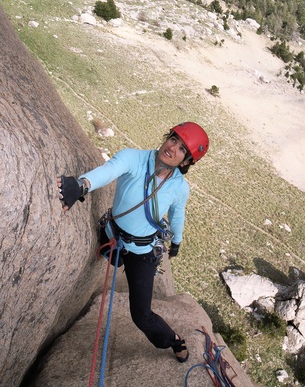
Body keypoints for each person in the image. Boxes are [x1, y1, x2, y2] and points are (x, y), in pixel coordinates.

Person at [57, 121, 209, 363]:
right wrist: (82, 185)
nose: (172, 147)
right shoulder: (134, 158)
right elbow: (109, 170)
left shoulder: (180, 187)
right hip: (112, 234)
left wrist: (177, 241)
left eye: (181, 149)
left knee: (141, 315)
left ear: (186, 162)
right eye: (173, 139)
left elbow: (178, 215)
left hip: (142, 250)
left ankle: (173, 339)